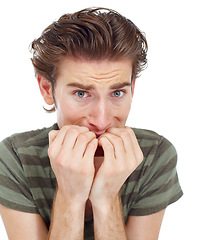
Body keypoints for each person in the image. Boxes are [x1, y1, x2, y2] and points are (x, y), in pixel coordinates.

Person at [0, 7, 183, 240]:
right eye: (81, 94)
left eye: (117, 93)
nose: (102, 120)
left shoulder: (155, 155)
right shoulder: (16, 157)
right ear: (47, 90)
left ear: (132, 89)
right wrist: (70, 195)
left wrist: (106, 197)